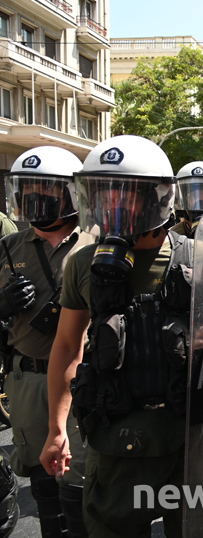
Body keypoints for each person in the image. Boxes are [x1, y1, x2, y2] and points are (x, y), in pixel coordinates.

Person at [40, 135, 190, 538]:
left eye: (126, 195)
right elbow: (67, 347)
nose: (113, 206)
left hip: (191, 438)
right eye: (104, 195)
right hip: (117, 438)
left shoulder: (199, 258)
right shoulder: (83, 264)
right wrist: (56, 429)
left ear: (158, 198)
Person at [2, 146, 90, 538]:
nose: (33, 197)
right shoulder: (8, 247)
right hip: (28, 379)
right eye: (26, 189)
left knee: (80, 482)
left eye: (44, 189)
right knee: (42, 483)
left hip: (83, 380)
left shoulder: (97, 243)